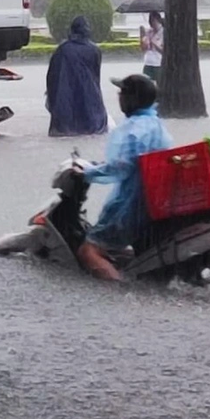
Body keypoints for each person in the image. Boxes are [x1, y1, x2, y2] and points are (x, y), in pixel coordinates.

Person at [75, 73, 172, 281]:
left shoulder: (133, 128)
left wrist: (87, 173)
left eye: (122, 93)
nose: (119, 96)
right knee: (115, 247)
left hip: (132, 202)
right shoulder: (154, 123)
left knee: (88, 250)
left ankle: (117, 289)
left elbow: (123, 166)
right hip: (152, 198)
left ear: (131, 98)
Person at [45, 16, 108, 137]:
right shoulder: (94, 50)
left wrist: (52, 96)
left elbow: (52, 75)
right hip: (90, 96)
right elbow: (96, 76)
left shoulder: (63, 49)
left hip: (66, 95)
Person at [139, 10, 164, 83]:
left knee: (160, 84)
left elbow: (164, 52)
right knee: (146, 85)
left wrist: (154, 44)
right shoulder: (149, 32)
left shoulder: (163, 33)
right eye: (150, 21)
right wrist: (142, 36)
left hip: (158, 64)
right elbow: (143, 49)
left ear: (158, 20)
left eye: (153, 21)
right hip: (148, 62)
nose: (152, 24)